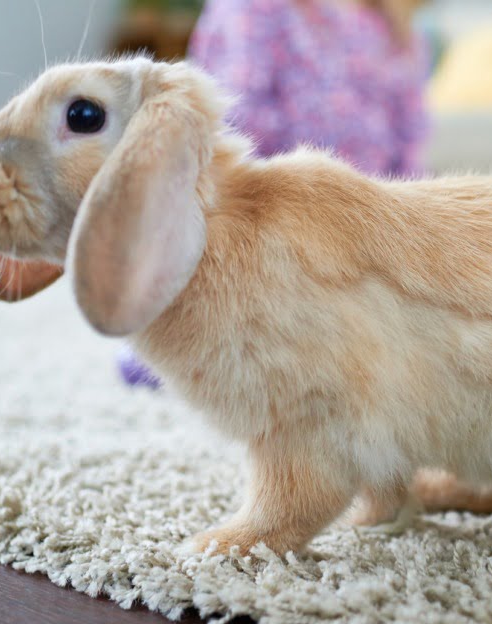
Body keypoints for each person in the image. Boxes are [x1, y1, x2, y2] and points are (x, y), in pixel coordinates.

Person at [119, 0, 431, 388]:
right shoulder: (253, 10)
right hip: (269, 215)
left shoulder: (398, 28)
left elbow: (412, 143)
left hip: (362, 224)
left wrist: (405, 227)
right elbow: (233, 124)